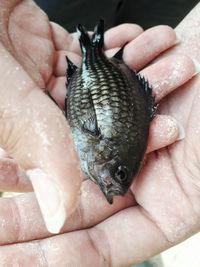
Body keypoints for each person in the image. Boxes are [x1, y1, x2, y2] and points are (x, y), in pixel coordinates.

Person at [0, 0, 199, 266]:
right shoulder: (113, 143)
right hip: (46, 22)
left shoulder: (119, 145)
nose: (115, 185)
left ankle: (92, 45)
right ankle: (92, 46)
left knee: (153, 29)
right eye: (120, 173)